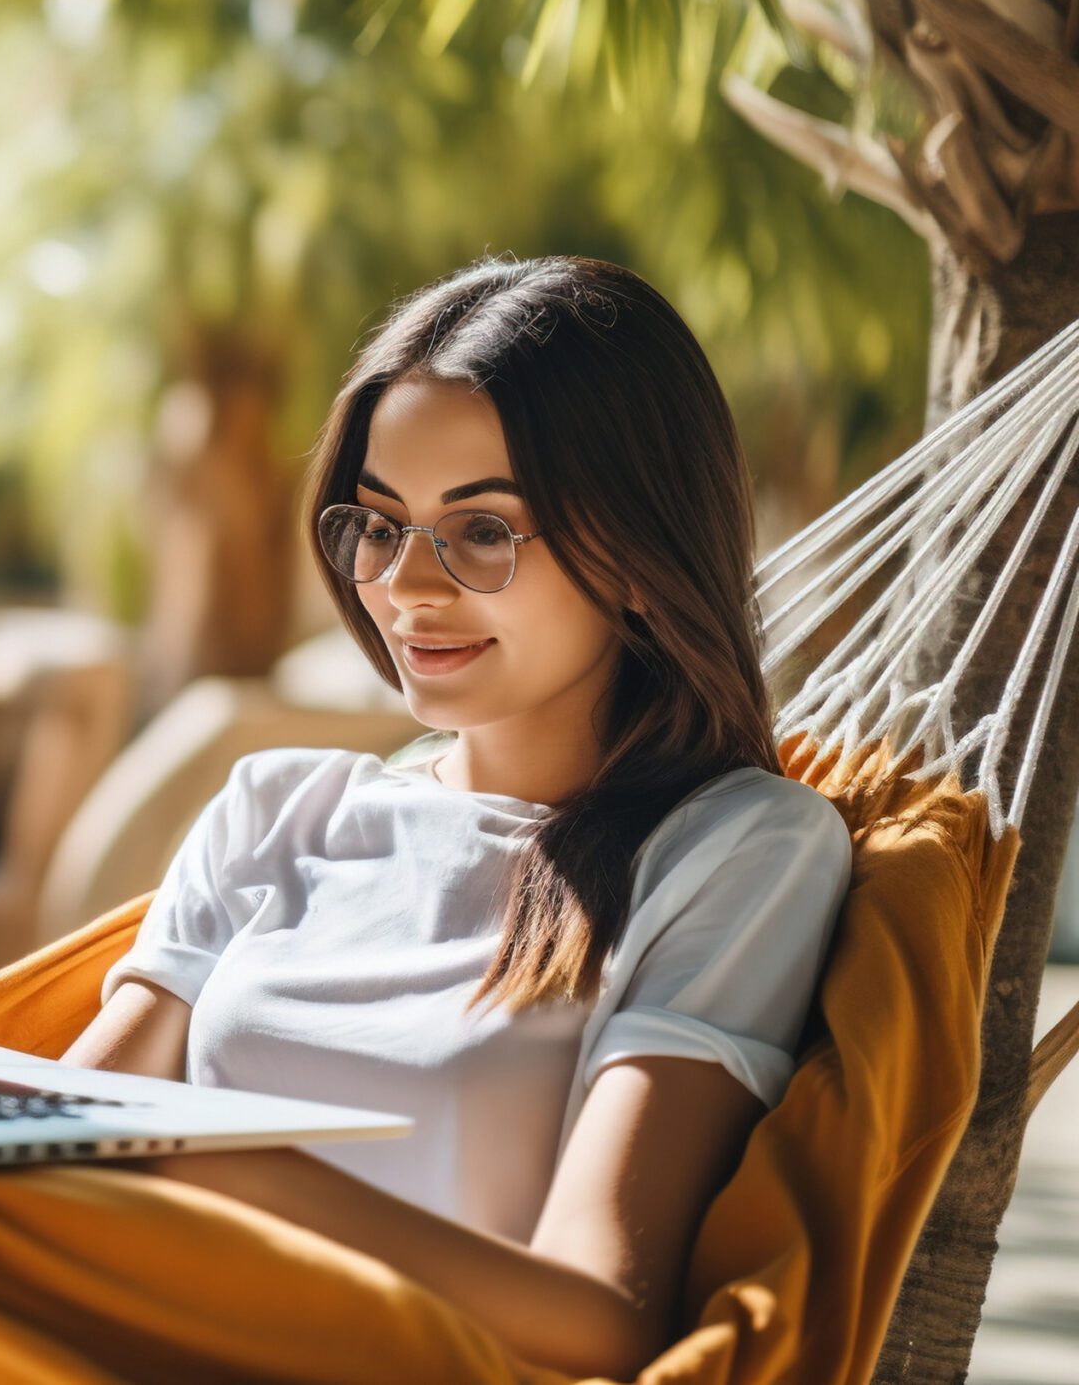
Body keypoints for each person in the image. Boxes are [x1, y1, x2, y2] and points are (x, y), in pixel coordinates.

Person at [59, 254, 851, 1379]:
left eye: (483, 532)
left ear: (633, 552)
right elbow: (62, 1128)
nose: (404, 587)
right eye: (378, 525)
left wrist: (226, 1170)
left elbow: (600, 1313)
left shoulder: (738, 851)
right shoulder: (279, 808)